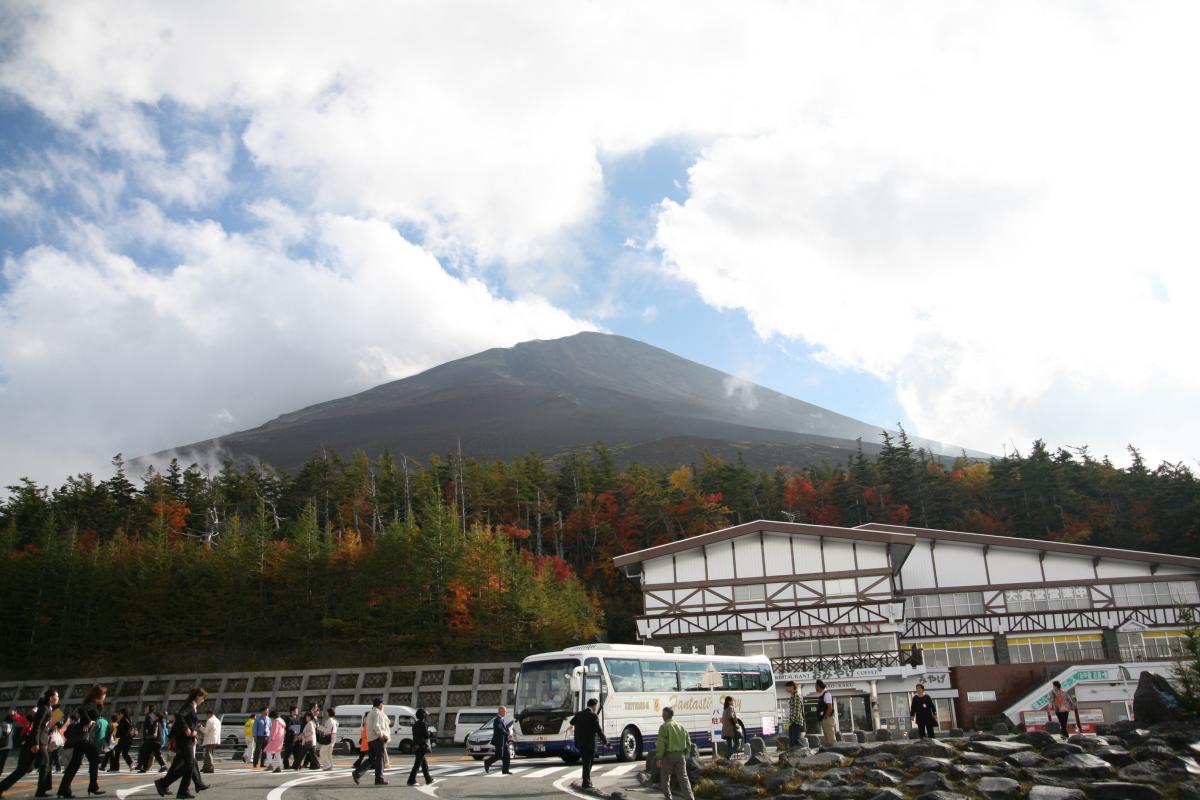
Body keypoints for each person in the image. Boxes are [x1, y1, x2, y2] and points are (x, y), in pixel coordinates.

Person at [0, 689, 58, 799]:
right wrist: (35, 743)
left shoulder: (48, 709)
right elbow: (36, 726)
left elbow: (42, 727)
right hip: (38, 743)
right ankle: (41, 791)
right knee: (45, 764)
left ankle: (1, 787)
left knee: (24, 769)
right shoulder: (44, 709)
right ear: (51, 698)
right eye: (57, 696)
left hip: (40, 742)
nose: (58, 698)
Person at [154, 687, 205, 800]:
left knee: (188, 763)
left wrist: (194, 732)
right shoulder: (190, 705)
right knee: (190, 764)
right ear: (197, 696)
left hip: (186, 738)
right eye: (203, 697)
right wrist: (187, 728)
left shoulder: (193, 706)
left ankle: (183, 789)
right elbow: (180, 715)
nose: (203, 700)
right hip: (183, 739)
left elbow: (188, 721)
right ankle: (165, 784)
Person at [58, 683, 107, 798]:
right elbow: (81, 710)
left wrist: (89, 721)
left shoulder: (94, 703)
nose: (105, 696)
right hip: (82, 737)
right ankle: (93, 787)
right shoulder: (91, 703)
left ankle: (64, 790)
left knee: (74, 765)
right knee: (94, 759)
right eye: (104, 694)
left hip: (82, 737)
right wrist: (88, 721)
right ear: (99, 694)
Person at [654, 707, 694, 800]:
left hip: (668, 756)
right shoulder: (681, 726)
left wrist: (659, 758)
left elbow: (661, 744)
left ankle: (669, 798)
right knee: (684, 779)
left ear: (665, 715)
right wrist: (685, 753)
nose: (662, 716)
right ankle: (690, 798)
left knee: (665, 779)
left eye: (663, 714)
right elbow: (689, 742)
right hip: (680, 756)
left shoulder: (664, 727)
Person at [351, 698, 390, 786]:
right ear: (380, 704)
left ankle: (357, 773)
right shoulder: (377, 713)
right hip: (377, 738)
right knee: (380, 758)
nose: (383, 706)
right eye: (382, 704)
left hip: (370, 739)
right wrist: (381, 736)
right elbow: (377, 725)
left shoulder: (370, 713)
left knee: (371, 759)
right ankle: (379, 779)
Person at [568, 699, 600, 789]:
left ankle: (586, 781)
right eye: (596, 706)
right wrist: (605, 741)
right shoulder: (593, 716)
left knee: (585, 762)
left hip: (580, 743)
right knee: (589, 762)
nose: (596, 708)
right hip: (590, 743)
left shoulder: (579, 714)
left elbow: (571, 722)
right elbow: (599, 730)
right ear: (593, 706)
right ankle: (586, 781)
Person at [406, 708, 434, 787]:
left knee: (423, 764)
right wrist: (430, 733)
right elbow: (426, 735)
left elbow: (416, 735)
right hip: (422, 746)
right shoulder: (423, 724)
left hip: (416, 746)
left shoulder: (415, 724)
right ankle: (411, 780)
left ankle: (428, 779)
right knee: (417, 765)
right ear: (424, 716)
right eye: (425, 715)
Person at [482, 705, 512, 775]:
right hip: (499, 741)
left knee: (507, 756)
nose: (505, 712)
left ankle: (505, 770)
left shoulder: (502, 719)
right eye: (505, 711)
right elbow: (500, 729)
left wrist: (508, 733)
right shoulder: (497, 720)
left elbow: (505, 729)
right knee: (498, 755)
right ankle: (487, 762)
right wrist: (508, 734)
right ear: (500, 711)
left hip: (504, 741)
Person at [813, 681, 835, 745]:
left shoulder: (827, 694)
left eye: (816, 686)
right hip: (824, 719)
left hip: (827, 719)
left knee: (830, 737)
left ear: (818, 686)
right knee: (827, 737)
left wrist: (825, 717)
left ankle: (834, 751)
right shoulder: (822, 695)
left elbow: (830, 707)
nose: (815, 688)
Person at [784, 681, 803, 749]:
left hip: (796, 722)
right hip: (793, 722)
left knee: (795, 741)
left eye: (787, 687)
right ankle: (794, 755)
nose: (786, 689)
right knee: (792, 741)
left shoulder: (796, 696)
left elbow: (796, 711)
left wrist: (791, 721)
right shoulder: (792, 697)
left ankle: (802, 752)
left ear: (792, 687)